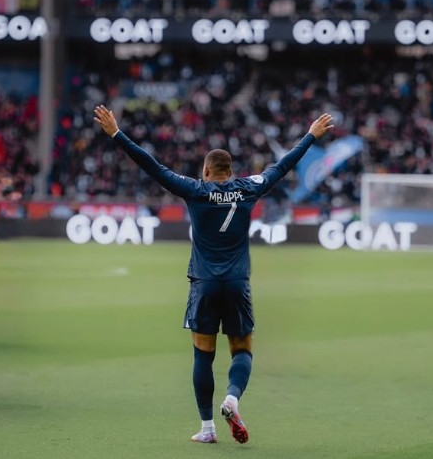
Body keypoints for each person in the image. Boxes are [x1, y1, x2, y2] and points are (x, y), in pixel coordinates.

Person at [93, 104, 334, 444]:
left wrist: (117, 134)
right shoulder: (249, 187)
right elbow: (282, 167)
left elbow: (153, 167)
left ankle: (207, 429)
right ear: (230, 171)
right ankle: (232, 398)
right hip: (237, 282)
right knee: (242, 350)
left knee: (202, 355)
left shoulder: (196, 190)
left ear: (206, 170)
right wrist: (310, 136)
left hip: (204, 283)